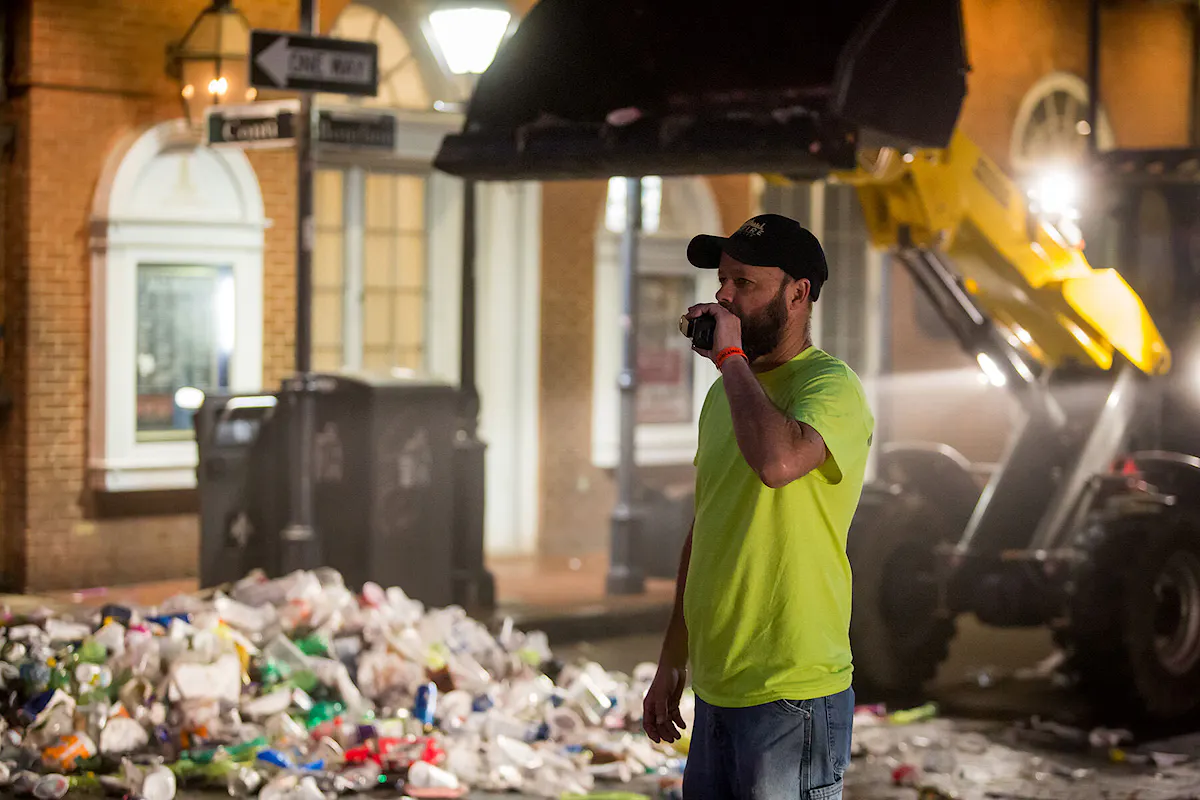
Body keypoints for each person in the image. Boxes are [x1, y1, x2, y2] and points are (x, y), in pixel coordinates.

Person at [642, 214, 875, 800]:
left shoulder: (831, 386)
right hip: (719, 686)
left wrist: (730, 359)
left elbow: (777, 463)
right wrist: (674, 656)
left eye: (745, 283)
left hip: (791, 692)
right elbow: (708, 527)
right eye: (722, 280)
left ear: (798, 294)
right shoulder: (725, 395)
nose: (724, 295)